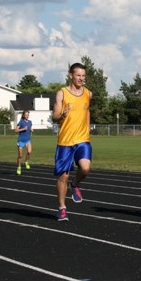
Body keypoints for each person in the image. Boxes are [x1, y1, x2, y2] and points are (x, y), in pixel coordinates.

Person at [51, 63, 93, 222]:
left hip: (82, 139)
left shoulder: (88, 94)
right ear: (71, 76)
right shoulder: (62, 93)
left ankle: (75, 184)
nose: (81, 78)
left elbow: (87, 110)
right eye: (78, 75)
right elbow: (54, 116)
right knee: (63, 177)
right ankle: (62, 208)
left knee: (85, 168)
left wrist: (87, 129)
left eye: (83, 76)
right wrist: (62, 115)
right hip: (65, 142)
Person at [15, 110, 33, 175]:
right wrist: (23, 129)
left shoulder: (30, 122)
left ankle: (26, 161)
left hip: (28, 140)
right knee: (20, 156)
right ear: (23, 115)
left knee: (29, 152)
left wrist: (31, 129)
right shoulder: (21, 122)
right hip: (21, 140)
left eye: (28, 115)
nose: (27, 116)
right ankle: (19, 167)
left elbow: (29, 128)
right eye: (26, 115)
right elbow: (16, 130)